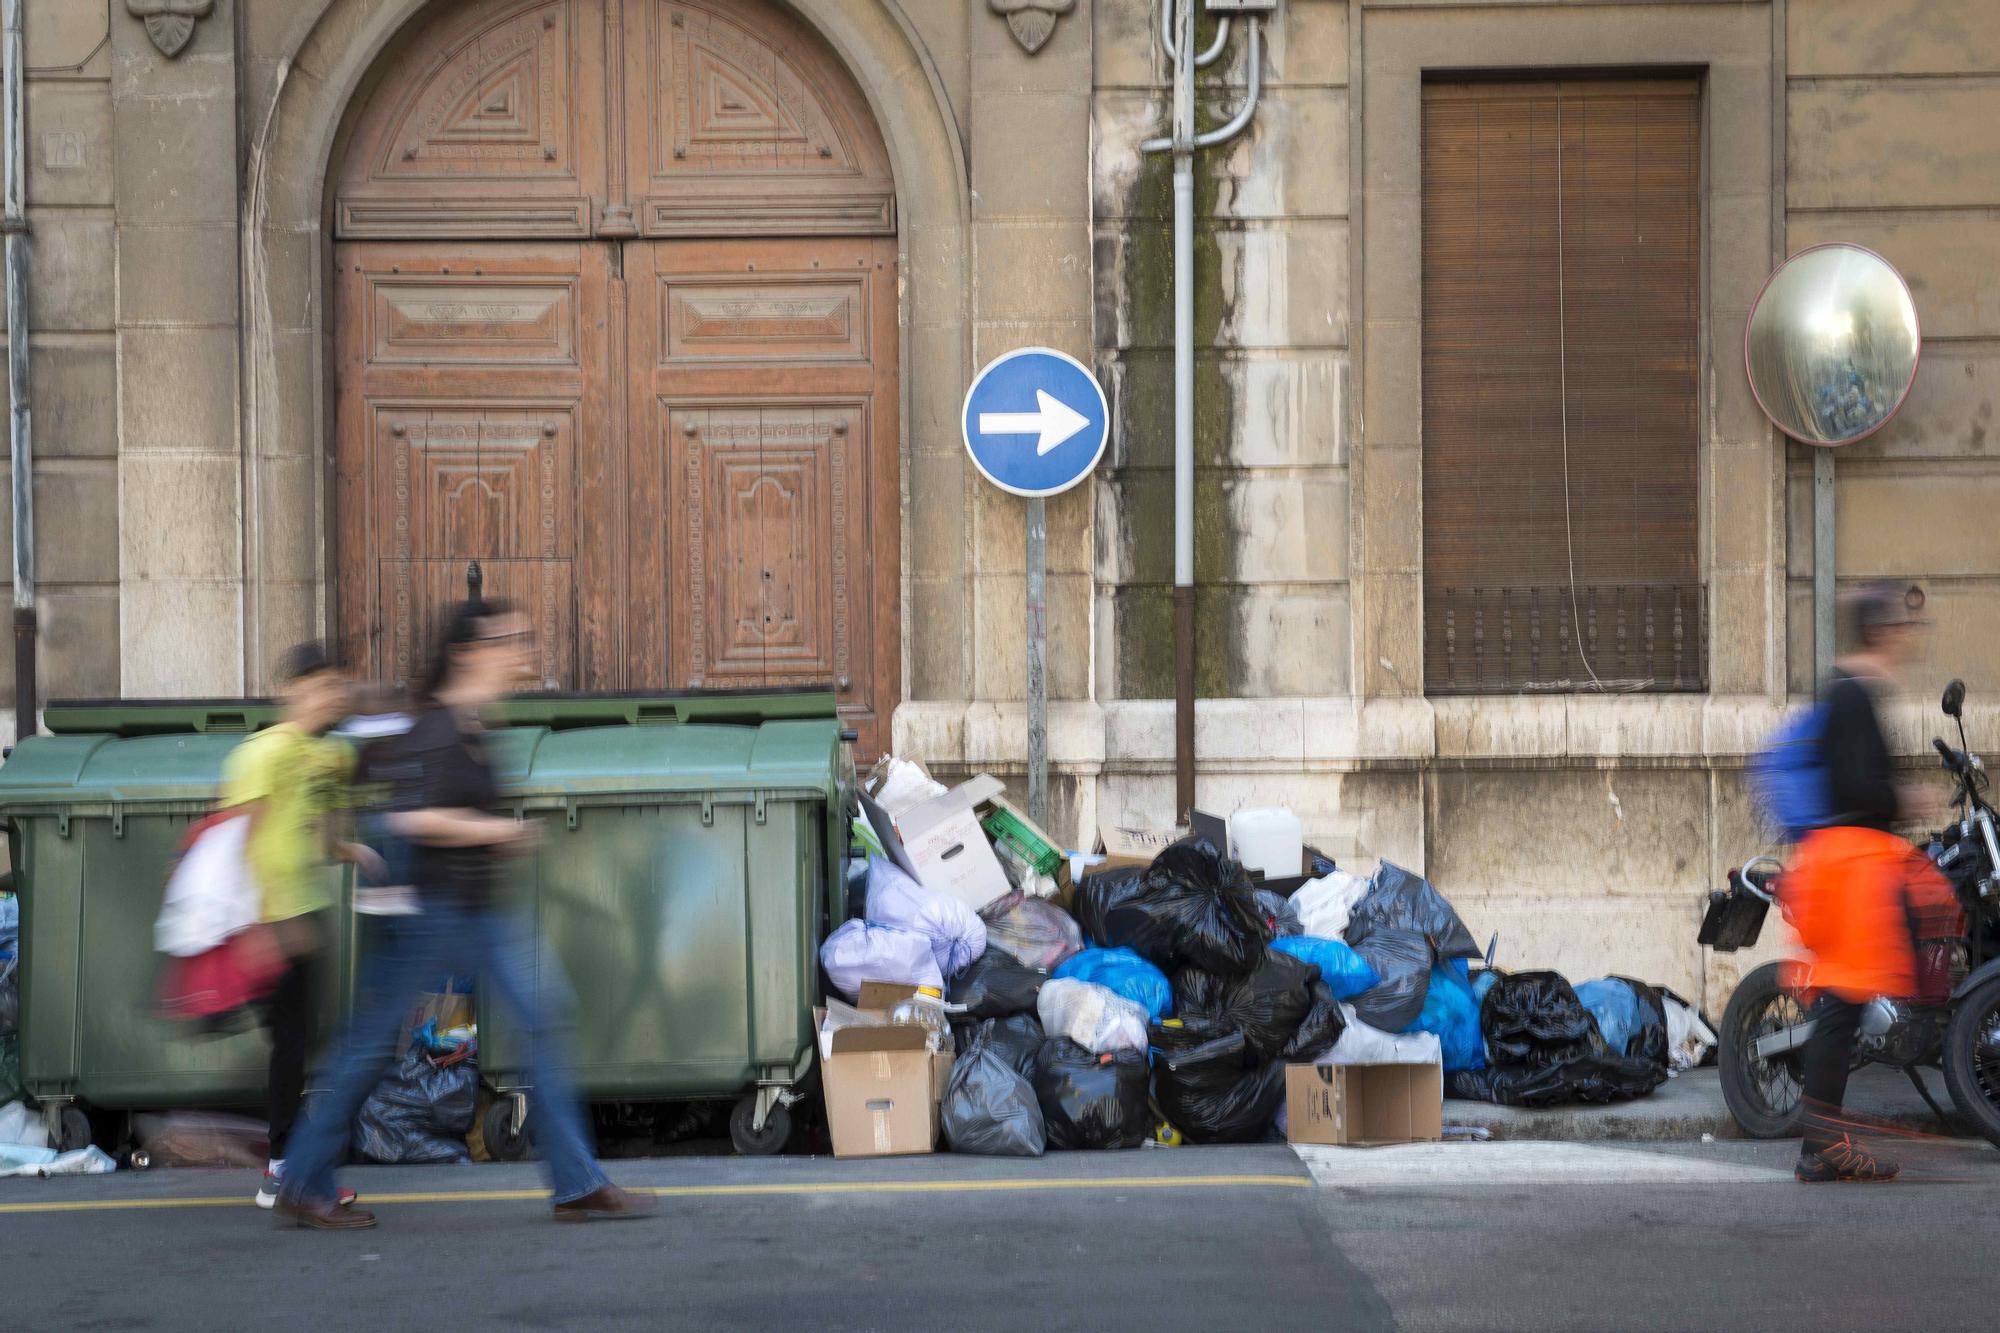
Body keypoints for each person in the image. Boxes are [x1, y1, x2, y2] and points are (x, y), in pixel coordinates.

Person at [275, 600, 655, 1229]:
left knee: (545, 1014)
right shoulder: (436, 728)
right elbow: (411, 818)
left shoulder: (474, 724)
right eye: (506, 640)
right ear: (465, 653)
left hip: (476, 911)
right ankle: (304, 1177)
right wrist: (495, 833)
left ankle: (578, 1183)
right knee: (372, 1046)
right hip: (434, 911)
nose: (519, 652)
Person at [1781, 583, 1957, 1183]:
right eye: (1902, 627)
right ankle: (1819, 1148)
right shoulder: (1853, 695)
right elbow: (1858, 787)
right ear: (1880, 630)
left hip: (1854, 863)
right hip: (1851, 864)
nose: (1908, 637)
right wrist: (1906, 796)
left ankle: (1823, 1144)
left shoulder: (1850, 692)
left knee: (1844, 1006)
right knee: (1841, 1006)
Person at [221, 641, 378, 1209]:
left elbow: (321, 831)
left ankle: (288, 1166)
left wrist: (350, 850)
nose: (332, 697)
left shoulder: (330, 756)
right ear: (293, 692)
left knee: (304, 1041)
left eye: (339, 687)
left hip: (306, 917)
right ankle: (284, 1173)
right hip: (270, 919)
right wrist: (261, 926)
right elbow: (237, 839)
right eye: (322, 686)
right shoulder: (260, 754)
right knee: (291, 1045)